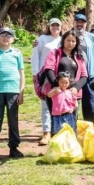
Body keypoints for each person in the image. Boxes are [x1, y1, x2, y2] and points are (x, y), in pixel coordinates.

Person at [42, 30, 88, 133]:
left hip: (72, 94)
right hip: (56, 93)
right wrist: (57, 86)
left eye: (73, 41)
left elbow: (84, 75)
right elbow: (49, 69)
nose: (70, 43)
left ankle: (71, 147)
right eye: (68, 40)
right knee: (56, 122)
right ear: (63, 40)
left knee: (72, 121)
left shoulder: (79, 56)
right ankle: (57, 147)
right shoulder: (54, 53)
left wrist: (76, 88)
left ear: (76, 43)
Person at [0, 27, 25, 161]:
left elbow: (22, 74)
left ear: (13, 39)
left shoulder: (17, 53)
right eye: (2, 35)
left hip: (13, 91)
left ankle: (14, 148)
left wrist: (21, 92)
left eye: (9, 35)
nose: (5, 38)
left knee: (13, 121)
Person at [30, 17, 62, 145]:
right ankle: (46, 132)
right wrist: (35, 73)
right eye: (53, 26)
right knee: (45, 104)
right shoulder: (42, 39)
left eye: (57, 26)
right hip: (45, 76)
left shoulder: (63, 39)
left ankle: (57, 131)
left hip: (60, 76)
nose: (55, 28)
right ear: (49, 27)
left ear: (61, 27)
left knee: (59, 103)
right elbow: (35, 56)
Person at [73, 14, 94, 122]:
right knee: (72, 105)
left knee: (90, 107)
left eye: (82, 22)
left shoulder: (92, 37)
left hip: (90, 77)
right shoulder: (69, 36)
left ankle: (89, 132)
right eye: (77, 22)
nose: (79, 24)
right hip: (74, 78)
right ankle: (73, 131)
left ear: (86, 24)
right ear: (74, 23)